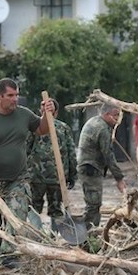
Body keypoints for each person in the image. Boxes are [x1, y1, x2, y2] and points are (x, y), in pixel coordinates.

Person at [0, 78, 53, 269]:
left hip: (18, 178)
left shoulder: (23, 114)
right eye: (11, 96)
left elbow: (42, 129)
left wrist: (46, 114)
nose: (15, 99)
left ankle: (9, 254)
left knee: (17, 213)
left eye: (17, 95)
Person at [28, 98, 77, 230]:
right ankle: (53, 236)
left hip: (37, 175)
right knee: (55, 209)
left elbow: (26, 150)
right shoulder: (63, 128)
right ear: (56, 112)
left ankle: (37, 233)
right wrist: (72, 175)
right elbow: (71, 153)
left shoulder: (34, 127)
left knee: (34, 206)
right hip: (56, 176)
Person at [77, 103, 127, 228]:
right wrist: (119, 178)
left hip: (88, 167)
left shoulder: (95, 122)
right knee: (93, 205)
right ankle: (87, 235)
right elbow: (108, 155)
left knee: (93, 204)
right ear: (107, 114)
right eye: (115, 115)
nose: (117, 119)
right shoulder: (102, 128)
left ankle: (89, 234)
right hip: (90, 168)